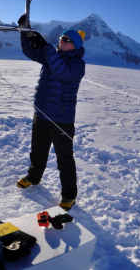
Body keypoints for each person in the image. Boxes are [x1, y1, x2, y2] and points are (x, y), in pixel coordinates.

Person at [16, 15, 86, 211]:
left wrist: (46, 47)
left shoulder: (78, 65)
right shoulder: (51, 55)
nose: (61, 41)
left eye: (66, 39)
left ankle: (69, 195)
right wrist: (25, 31)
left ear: (74, 46)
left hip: (61, 119)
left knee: (64, 158)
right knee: (38, 150)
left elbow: (61, 72)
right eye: (61, 38)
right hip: (41, 114)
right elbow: (29, 50)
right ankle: (34, 176)